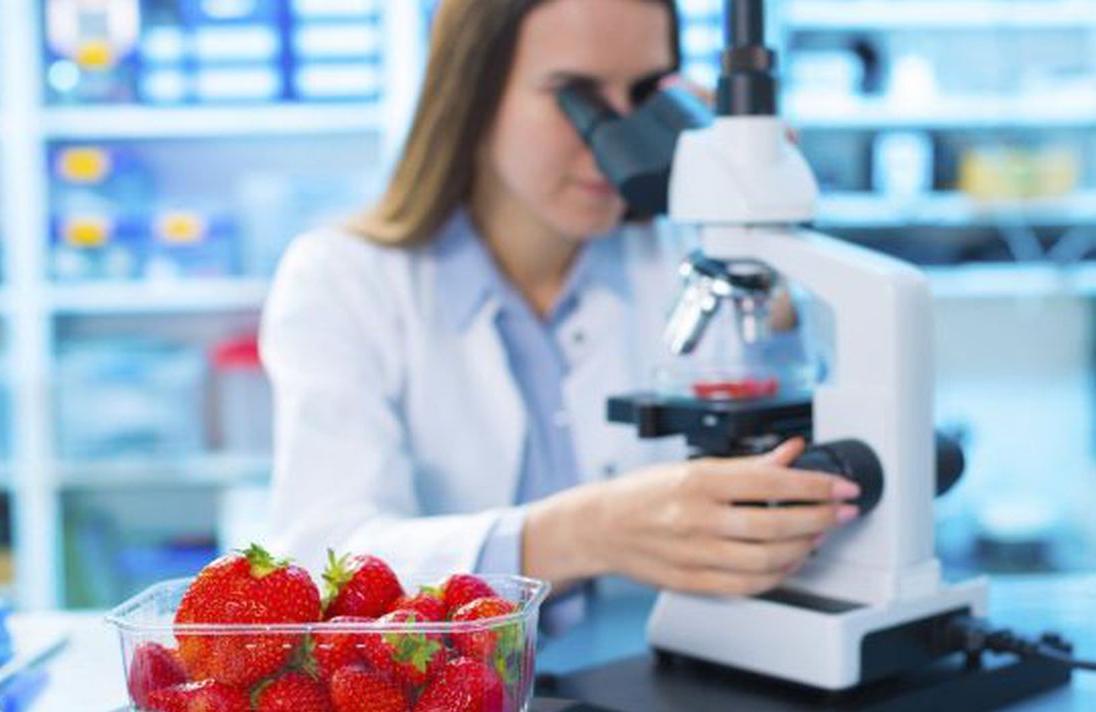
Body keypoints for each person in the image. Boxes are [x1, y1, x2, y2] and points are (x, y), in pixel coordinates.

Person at [260, 0, 861, 629]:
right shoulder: (346, 279)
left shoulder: (692, 262)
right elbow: (322, 557)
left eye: (645, 93)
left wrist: (762, 235)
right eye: (577, 96)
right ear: (474, 94)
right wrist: (583, 533)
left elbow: (809, 438)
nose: (615, 140)